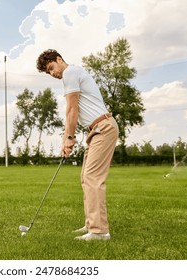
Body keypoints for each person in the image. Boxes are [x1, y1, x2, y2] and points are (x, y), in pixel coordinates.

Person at [36, 49, 118, 241]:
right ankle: (91, 224)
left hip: (103, 128)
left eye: (51, 68)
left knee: (92, 177)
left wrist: (69, 138)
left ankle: (99, 232)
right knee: (86, 176)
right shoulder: (73, 73)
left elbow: (72, 109)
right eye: (48, 73)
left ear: (59, 59)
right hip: (96, 130)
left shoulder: (70, 73)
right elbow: (73, 110)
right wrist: (68, 137)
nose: (53, 73)